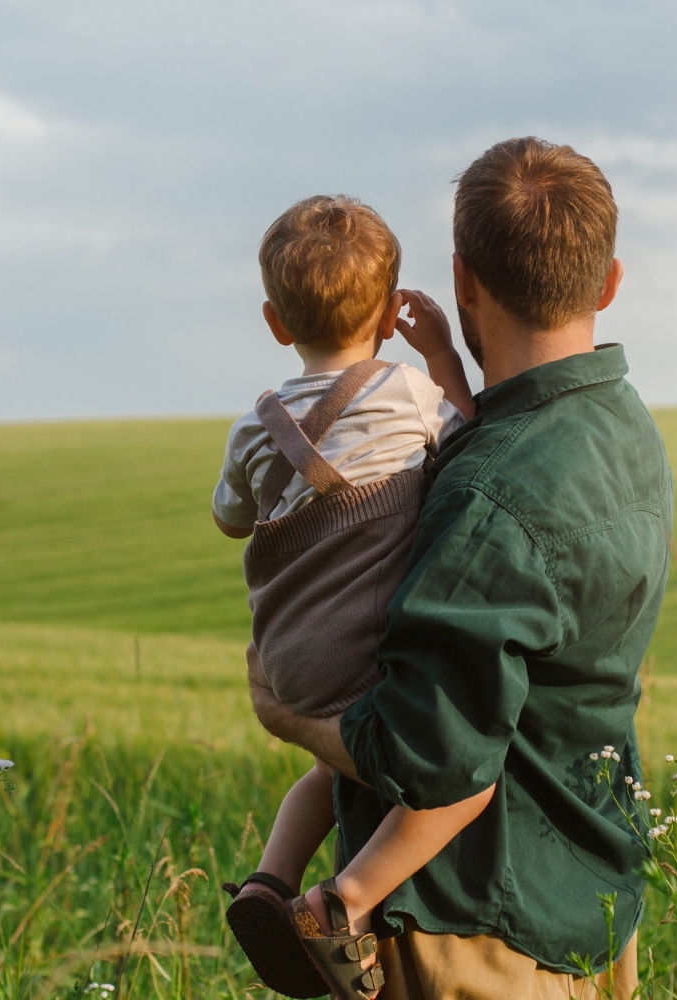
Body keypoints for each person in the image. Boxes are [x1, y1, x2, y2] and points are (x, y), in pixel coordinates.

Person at [248, 137, 673, 1000]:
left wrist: (288, 714)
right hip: (588, 903)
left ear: (464, 281)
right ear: (610, 283)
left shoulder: (488, 496)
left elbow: (429, 759)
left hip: (474, 931)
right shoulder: (624, 429)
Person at [212, 194, 495, 999]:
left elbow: (231, 521)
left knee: (334, 776)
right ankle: (346, 902)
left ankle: (269, 882)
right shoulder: (407, 393)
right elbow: (471, 429)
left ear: (274, 321)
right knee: (463, 776)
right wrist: (442, 351)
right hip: (369, 653)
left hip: (288, 660)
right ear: (386, 313)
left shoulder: (253, 427)